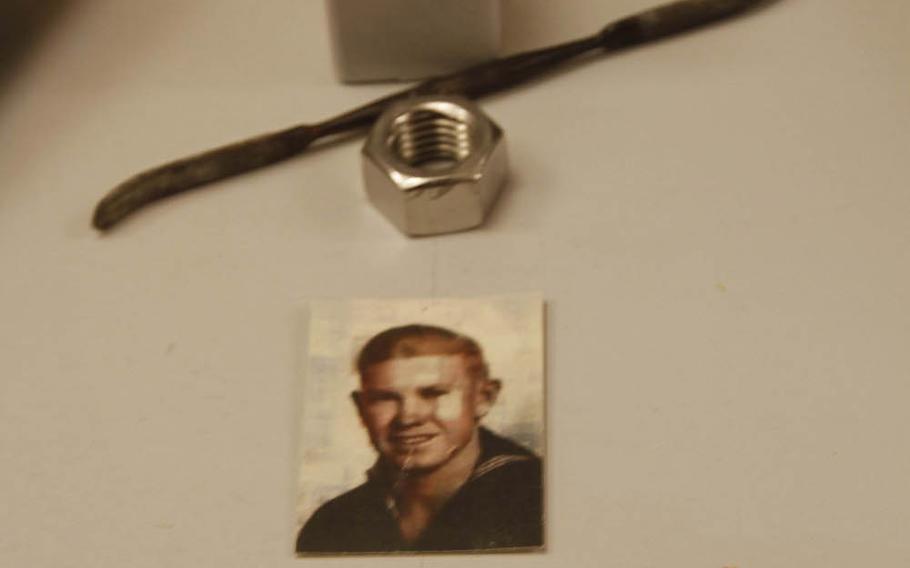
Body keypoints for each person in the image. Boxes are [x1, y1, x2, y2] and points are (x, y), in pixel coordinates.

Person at [296, 324, 543, 553]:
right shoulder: (332, 522)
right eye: (385, 398)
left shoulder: (541, 498)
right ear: (361, 408)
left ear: (483, 398)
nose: (407, 417)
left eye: (433, 393)